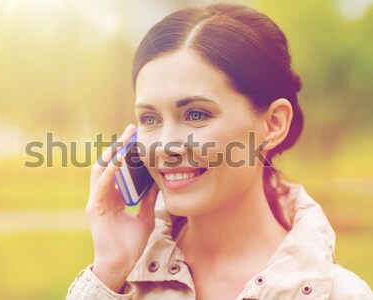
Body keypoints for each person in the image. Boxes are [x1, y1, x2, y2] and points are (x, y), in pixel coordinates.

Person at [66, 3, 372, 299]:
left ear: (274, 124)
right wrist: (110, 270)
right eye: (150, 118)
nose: (165, 146)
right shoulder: (119, 282)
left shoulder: (339, 294)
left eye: (196, 115)